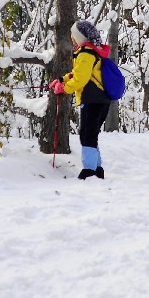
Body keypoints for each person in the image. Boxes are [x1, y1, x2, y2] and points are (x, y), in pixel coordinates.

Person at [49, 19, 113, 180]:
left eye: (73, 34)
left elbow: (81, 79)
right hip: (98, 98)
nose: (71, 37)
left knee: (87, 134)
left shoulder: (85, 53)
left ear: (79, 36)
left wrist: (64, 88)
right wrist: (62, 80)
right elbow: (79, 73)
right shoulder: (90, 51)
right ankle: (96, 168)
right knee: (88, 133)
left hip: (93, 99)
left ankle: (90, 170)